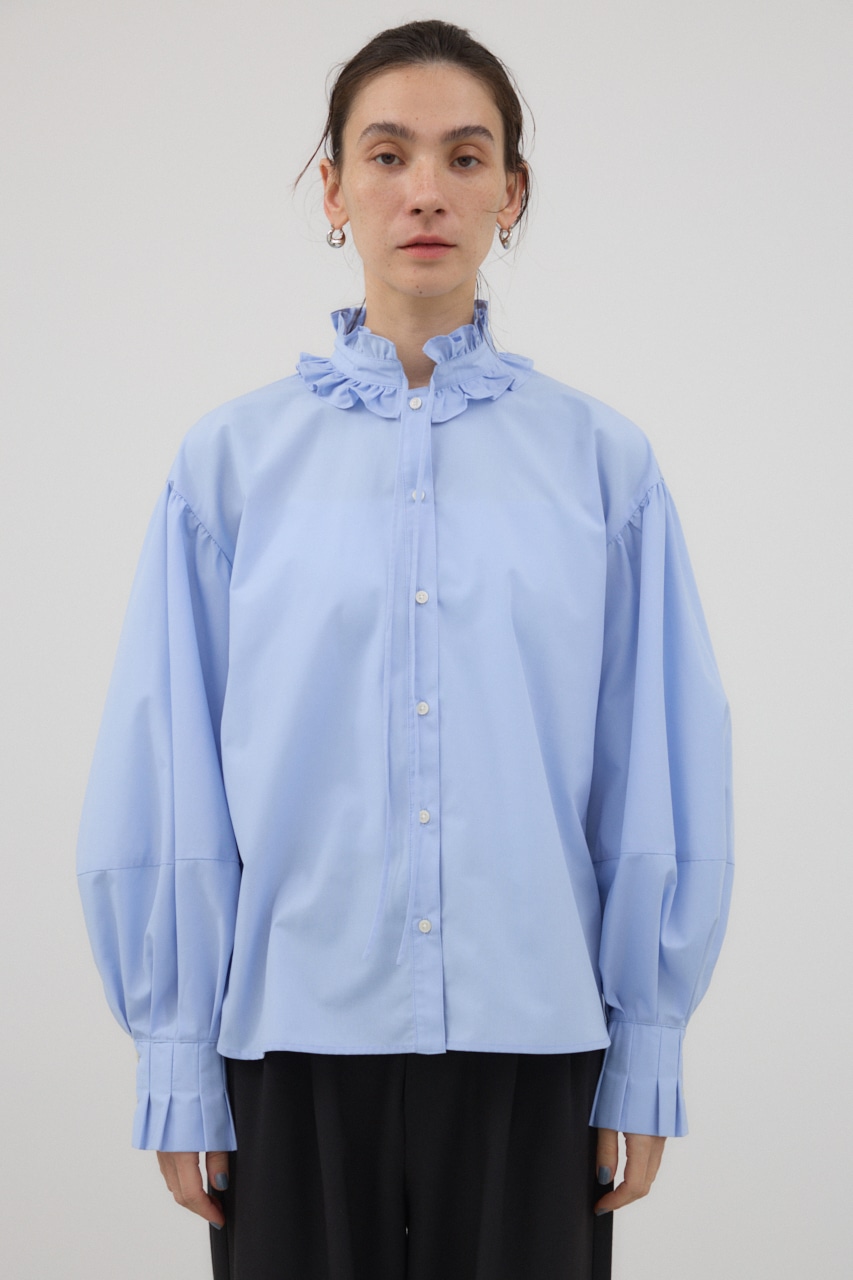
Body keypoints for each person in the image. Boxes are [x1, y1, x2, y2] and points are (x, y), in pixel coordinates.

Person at [77, 18, 733, 1280]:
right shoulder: (228, 466)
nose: (425, 188)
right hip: (289, 1042)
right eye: (386, 154)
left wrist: (647, 1037)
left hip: (536, 1039)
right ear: (333, 190)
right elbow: (169, 771)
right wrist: (174, 1050)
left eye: (464, 155)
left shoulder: (604, 466)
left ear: (510, 192)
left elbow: (653, 765)